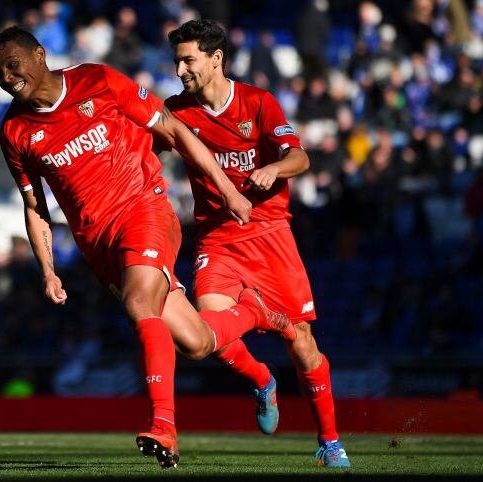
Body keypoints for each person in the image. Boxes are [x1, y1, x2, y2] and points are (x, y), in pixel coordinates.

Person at [0, 26, 295, 469]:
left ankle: (164, 427)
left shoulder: (97, 80)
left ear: (39, 54)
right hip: (99, 244)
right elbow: (34, 205)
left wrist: (227, 190)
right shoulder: (15, 130)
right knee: (194, 342)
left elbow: (174, 129)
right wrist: (48, 269)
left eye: (12, 65)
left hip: (144, 211)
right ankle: (256, 328)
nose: (7, 78)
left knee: (139, 304)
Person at [164, 20, 351, 468]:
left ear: (215, 58)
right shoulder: (177, 110)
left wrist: (275, 170)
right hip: (217, 237)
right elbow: (144, 146)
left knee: (303, 343)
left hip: (270, 235)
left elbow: (300, 156)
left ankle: (329, 441)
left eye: (188, 59)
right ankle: (262, 379)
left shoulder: (258, 102)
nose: (180, 70)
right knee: (207, 330)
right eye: (177, 61)